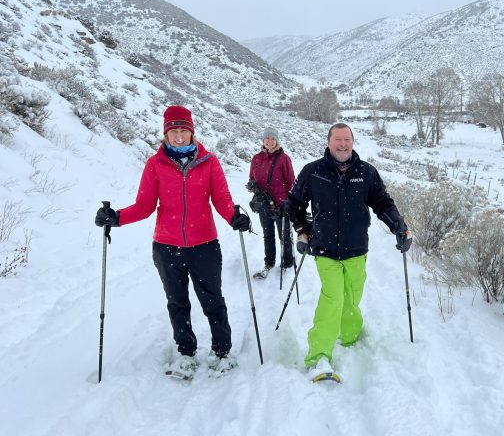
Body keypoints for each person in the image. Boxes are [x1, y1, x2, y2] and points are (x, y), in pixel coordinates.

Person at [94, 105, 251, 379]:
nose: (179, 136)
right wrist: (115, 217)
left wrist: (234, 217)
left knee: (212, 300)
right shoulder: (155, 164)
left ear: (192, 132)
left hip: (204, 245)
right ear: (166, 134)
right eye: (173, 131)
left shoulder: (209, 161)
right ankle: (186, 353)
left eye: (184, 131)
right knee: (177, 303)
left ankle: (222, 351)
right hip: (167, 247)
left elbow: (222, 199)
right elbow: (144, 206)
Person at [286, 122, 412, 380]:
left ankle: (350, 336)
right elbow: (294, 203)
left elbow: (382, 202)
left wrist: (398, 227)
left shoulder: (366, 172)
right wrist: (303, 229)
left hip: (356, 249)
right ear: (328, 142)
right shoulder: (313, 172)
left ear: (352, 142)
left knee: (352, 297)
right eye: (337, 140)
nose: (342, 144)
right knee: (332, 299)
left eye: (347, 140)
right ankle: (319, 356)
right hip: (325, 250)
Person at [247, 127, 296, 279]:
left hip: (281, 206)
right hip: (264, 206)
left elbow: (291, 183)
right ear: (263, 140)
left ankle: (287, 262)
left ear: (277, 141)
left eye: (272, 138)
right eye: (267, 138)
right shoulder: (256, 158)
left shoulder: (284, 159)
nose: (269, 141)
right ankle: (269, 262)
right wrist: (252, 185)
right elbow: (251, 178)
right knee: (268, 236)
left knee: (285, 236)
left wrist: (289, 202)